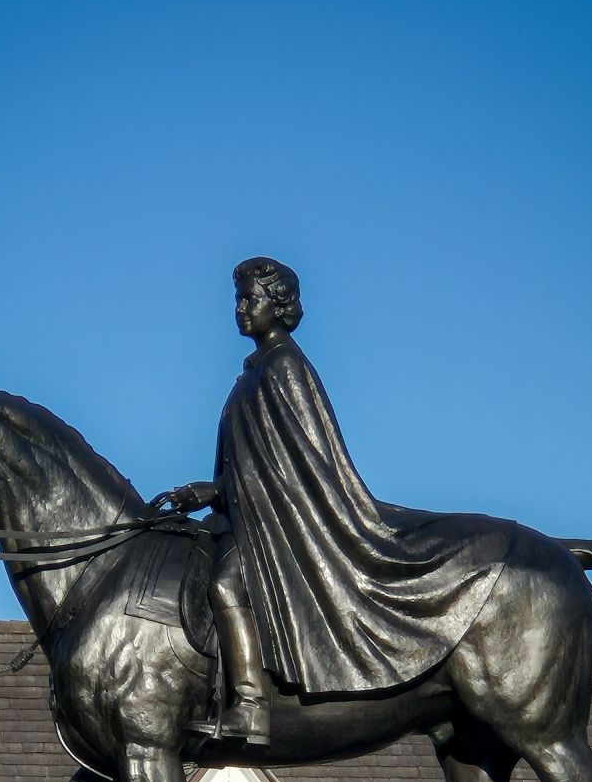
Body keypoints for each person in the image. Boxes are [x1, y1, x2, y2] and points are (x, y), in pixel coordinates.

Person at [155, 257, 510, 742]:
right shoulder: (251, 376)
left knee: (224, 586)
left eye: (249, 299)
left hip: (281, 523)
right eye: (237, 299)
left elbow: (308, 469)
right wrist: (209, 490)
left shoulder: (286, 370)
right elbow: (254, 466)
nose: (240, 309)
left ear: (277, 306)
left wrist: (232, 491)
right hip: (251, 516)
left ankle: (251, 705)